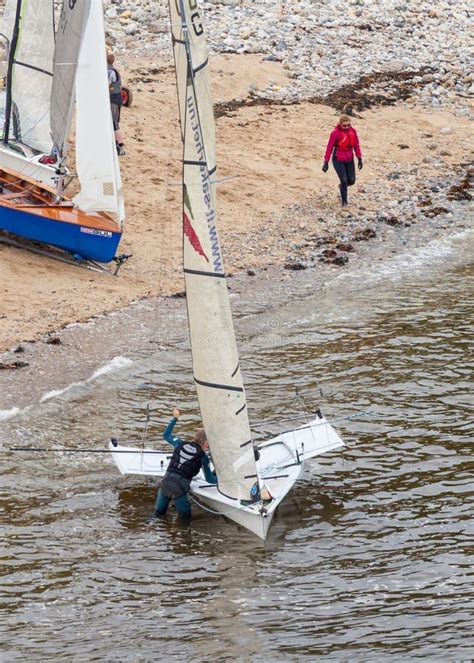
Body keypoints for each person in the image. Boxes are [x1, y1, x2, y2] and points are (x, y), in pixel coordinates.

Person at [155, 408, 217, 521]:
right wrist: (224, 480)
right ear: (206, 443)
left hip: (164, 485)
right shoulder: (203, 457)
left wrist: (175, 418)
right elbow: (210, 480)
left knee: (158, 516)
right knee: (185, 521)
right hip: (179, 490)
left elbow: (166, 434)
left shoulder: (179, 443)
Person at [322, 114, 363, 207]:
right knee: (344, 180)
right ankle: (344, 202)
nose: (347, 127)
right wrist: (326, 162)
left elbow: (356, 145)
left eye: (348, 125)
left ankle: (342, 187)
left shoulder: (353, 131)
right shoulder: (335, 133)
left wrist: (359, 158)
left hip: (349, 159)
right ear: (340, 124)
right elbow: (329, 148)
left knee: (351, 180)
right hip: (338, 159)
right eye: (344, 125)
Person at [107, 52, 125, 156]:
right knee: (113, 122)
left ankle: (121, 147)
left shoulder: (109, 72)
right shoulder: (115, 70)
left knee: (114, 123)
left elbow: (106, 85)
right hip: (117, 98)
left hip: (113, 99)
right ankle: (115, 144)